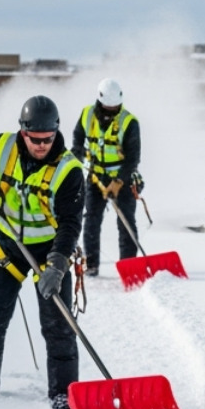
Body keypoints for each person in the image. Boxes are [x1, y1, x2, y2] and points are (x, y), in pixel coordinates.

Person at [0, 95, 85, 409]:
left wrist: (58, 266)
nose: (42, 145)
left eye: (48, 139)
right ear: (23, 132)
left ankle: (63, 394)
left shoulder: (69, 169)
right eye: (35, 139)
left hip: (49, 251)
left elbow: (71, 224)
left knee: (59, 325)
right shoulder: (3, 147)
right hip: (7, 247)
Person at [71, 78, 141, 276]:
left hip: (123, 178)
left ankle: (129, 267)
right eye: (108, 107)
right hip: (96, 177)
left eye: (115, 107)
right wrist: (76, 162)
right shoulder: (87, 115)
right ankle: (91, 265)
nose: (112, 110)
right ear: (100, 101)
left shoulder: (129, 122)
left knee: (126, 221)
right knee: (91, 220)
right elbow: (77, 143)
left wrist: (118, 182)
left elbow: (133, 157)